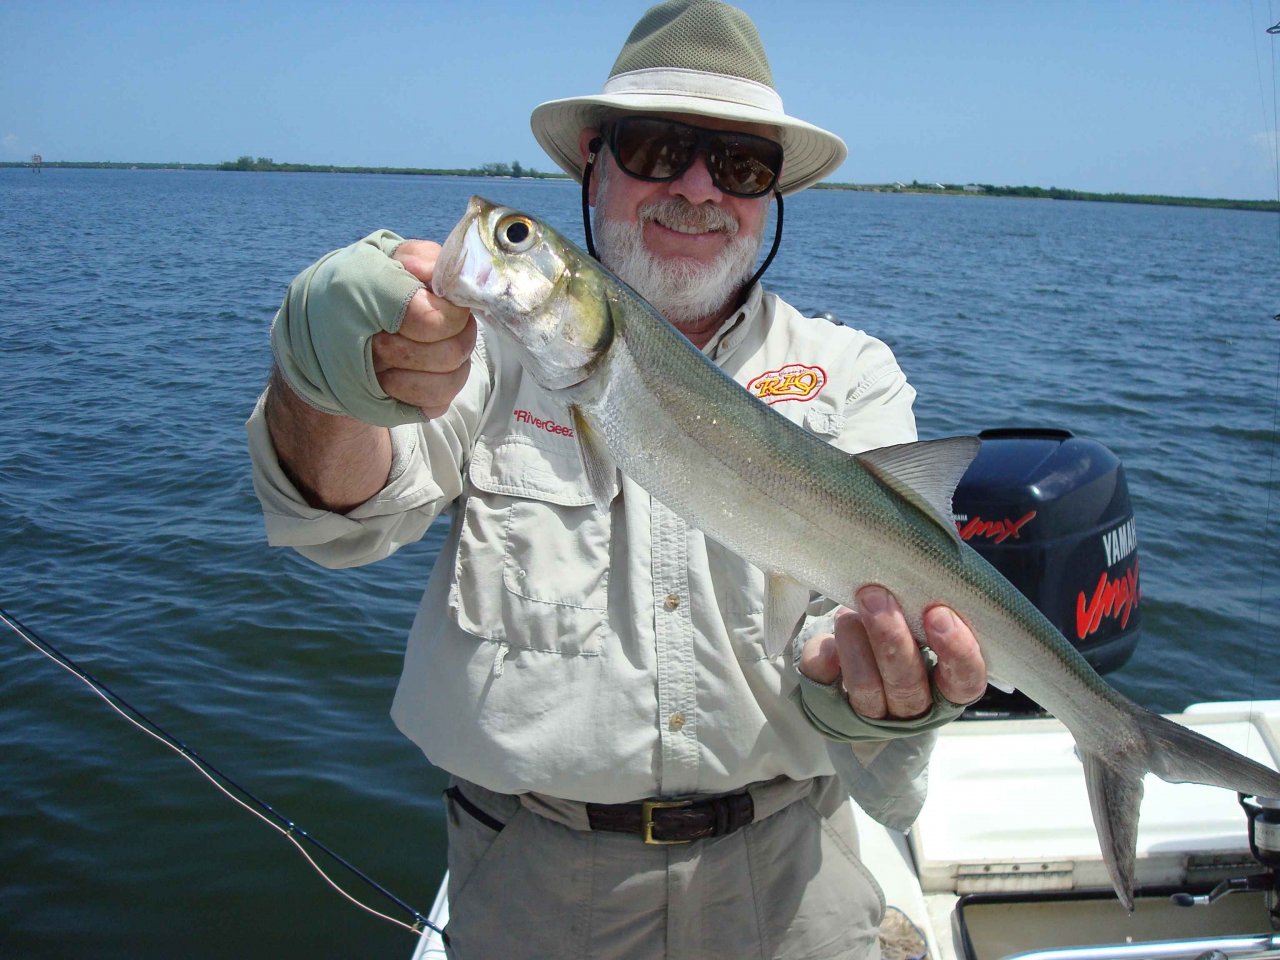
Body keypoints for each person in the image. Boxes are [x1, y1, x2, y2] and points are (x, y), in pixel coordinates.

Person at [247, 2, 988, 957]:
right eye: (655, 148)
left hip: (793, 883)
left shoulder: (850, 370)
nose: (696, 188)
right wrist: (324, 381)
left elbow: (846, 643)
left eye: (742, 166)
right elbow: (341, 521)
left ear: (769, 199)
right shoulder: (483, 356)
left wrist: (870, 689)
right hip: (534, 886)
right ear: (590, 163)